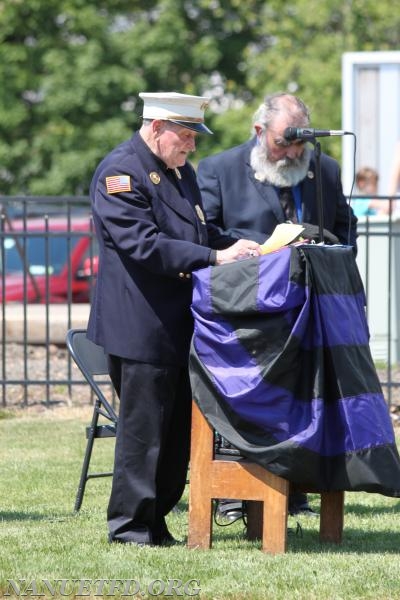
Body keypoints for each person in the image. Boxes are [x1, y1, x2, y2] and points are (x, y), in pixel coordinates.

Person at [86, 91, 261, 546]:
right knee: (145, 435)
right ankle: (129, 527)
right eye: (185, 136)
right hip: (141, 325)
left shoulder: (179, 172)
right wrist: (214, 256)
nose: (192, 146)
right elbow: (144, 244)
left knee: (176, 434)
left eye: (194, 137)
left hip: (180, 324)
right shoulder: (120, 171)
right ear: (157, 126)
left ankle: (156, 521)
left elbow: (200, 231)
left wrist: (245, 245)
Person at [197, 91, 358, 519]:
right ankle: (234, 494)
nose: (292, 152)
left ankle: (296, 491)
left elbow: (344, 224)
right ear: (258, 132)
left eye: (298, 142)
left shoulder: (323, 168)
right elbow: (207, 233)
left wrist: (327, 249)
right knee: (243, 400)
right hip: (245, 313)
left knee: (302, 401)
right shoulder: (219, 169)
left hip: (306, 312)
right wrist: (252, 251)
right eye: (283, 142)